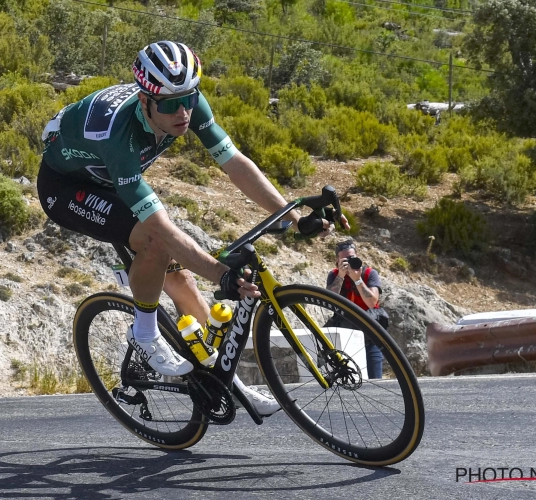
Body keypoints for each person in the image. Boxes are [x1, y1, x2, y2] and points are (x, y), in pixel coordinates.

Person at [37, 40, 346, 415]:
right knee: (156, 242)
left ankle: (232, 385)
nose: (183, 111)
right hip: (67, 188)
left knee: (182, 282)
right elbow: (162, 229)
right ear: (146, 100)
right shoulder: (119, 134)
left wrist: (293, 216)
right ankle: (144, 336)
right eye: (170, 104)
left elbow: (234, 164)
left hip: (112, 179)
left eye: (189, 97)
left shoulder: (184, 101)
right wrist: (221, 275)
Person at [325, 239, 388, 379]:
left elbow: (372, 302)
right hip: (345, 334)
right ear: (337, 261)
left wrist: (357, 280)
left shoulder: (369, 274)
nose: (349, 261)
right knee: (346, 380)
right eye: (344, 259)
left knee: (375, 379)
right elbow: (329, 300)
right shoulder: (334, 275)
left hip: (370, 335)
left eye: (352, 258)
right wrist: (341, 276)